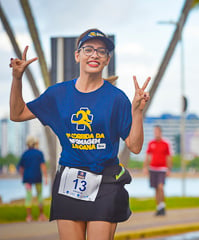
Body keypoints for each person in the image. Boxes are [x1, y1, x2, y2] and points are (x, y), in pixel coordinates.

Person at [10, 28, 150, 240]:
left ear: (106, 60)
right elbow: (17, 113)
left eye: (101, 51)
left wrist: (137, 111)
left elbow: (135, 146)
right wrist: (17, 79)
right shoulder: (58, 94)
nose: (95, 54)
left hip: (106, 182)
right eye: (89, 49)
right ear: (77, 55)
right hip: (69, 180)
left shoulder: (116, 98)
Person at [143, 125, 172, 216]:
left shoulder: (165, 144)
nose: (156, 133)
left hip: (162, 169)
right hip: (152, 169)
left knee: (160, 187)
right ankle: (159, 207)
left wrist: (169, 169)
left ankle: (162, 206)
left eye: (157, 131)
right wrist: (145, 167)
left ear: (160, 132)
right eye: (154, 131)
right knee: (155, 189)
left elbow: (169, 157)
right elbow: (147, 156)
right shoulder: (151, 143)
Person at [18, 136, 48, 222]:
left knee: (28, 197)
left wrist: (22, 176)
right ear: (35, 143)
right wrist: (45, 177)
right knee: (39, 196)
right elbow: (43, 166)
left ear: (27, 144)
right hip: (37, 177)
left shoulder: (24, 154)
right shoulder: (39, 153)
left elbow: (21, 168)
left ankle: (29, 217)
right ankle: (41, 215)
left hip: (27, 178)